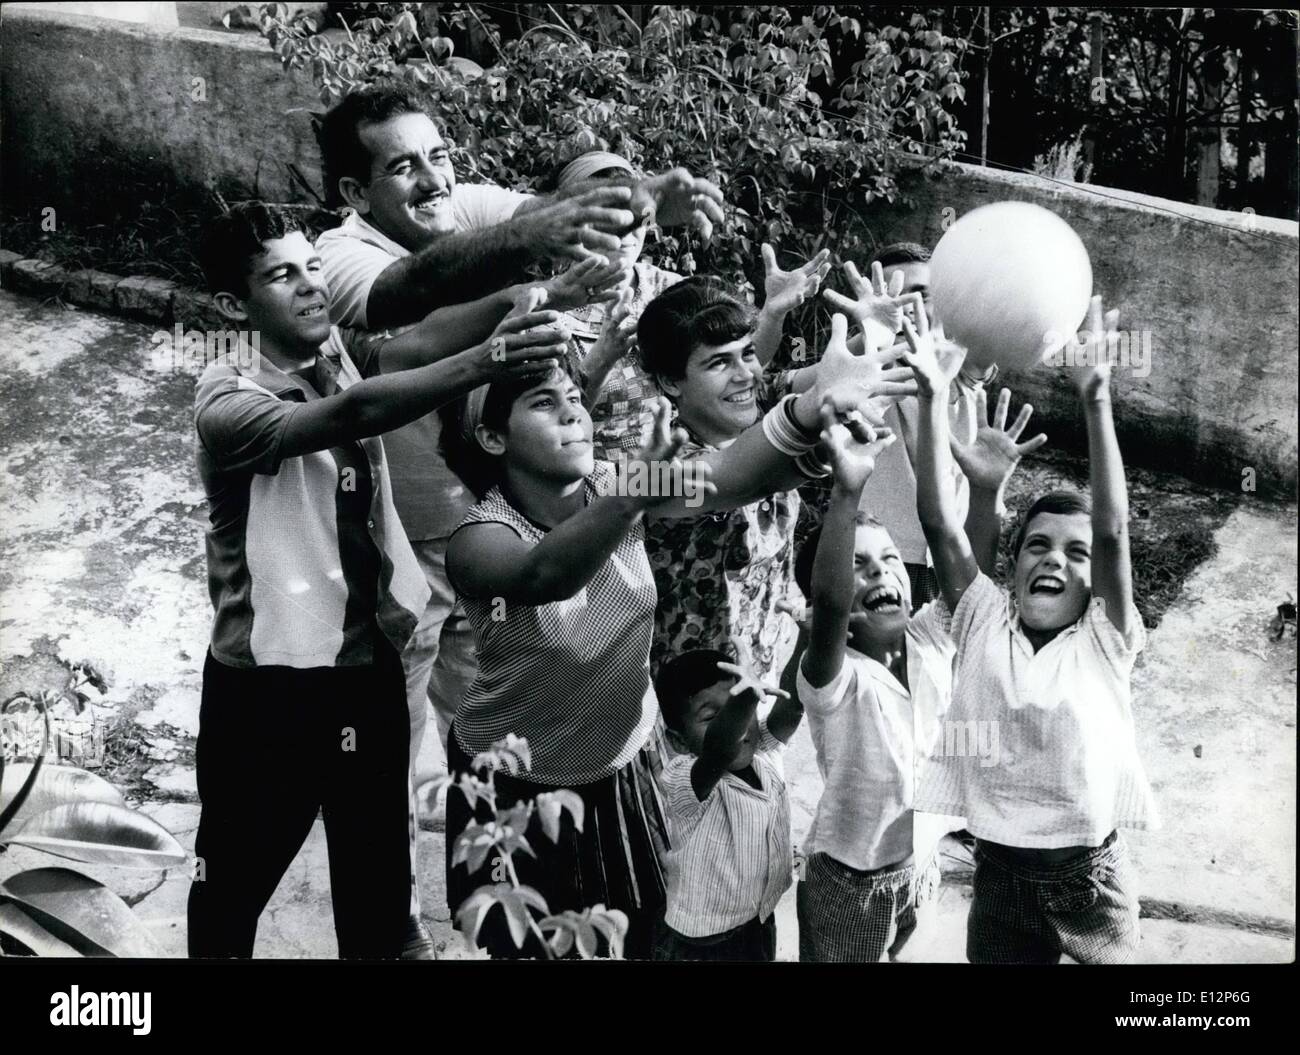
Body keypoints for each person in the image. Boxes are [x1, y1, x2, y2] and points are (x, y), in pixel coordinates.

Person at [436, 309, 915, 958]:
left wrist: (810, 407)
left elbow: (725, 478)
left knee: (632, 941)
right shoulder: (482, 538)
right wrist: (632, 492)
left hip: (618, 773)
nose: (574, 411)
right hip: (517, 787)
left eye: (575, 396)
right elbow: (548, 572)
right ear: (492, 438)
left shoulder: (617, 482)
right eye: (545, 404)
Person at [185, 202, 566, 959]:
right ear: (234, 306)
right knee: (230, 884)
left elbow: (419, 341)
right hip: (271, 688)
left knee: (379, 888)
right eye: (281, 274)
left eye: (313, 266)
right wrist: (490, 359)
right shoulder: (227, 400)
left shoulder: (334, 351)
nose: (309, 285)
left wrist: (542, 298)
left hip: (366, 668)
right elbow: (353, 412)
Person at [905, 295, 1161, 965]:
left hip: (1088, 882)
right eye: (1038, 545)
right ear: (1013, 565)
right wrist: (933, 399)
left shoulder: (1104, 640)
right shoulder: (986, 618)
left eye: (1074, 555)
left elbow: (1110, 528)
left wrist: (1097, 397)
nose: (1054, 558)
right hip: (999, 876)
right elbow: (939, 521)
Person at [793, 356, 1046, 962]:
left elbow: (973, 584)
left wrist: (984, 492)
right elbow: (827, 602)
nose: (879, 573)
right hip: (849, 882)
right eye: (858, 564)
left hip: (922, 862)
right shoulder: (835, 677)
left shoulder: (930, 637)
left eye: (885, 561)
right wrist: (846, 492)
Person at [637, 274, 848, 684]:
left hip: (764, 673)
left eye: (747, 353)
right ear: (668, 381)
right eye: (719, 362)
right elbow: (738, 478)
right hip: (688, 708)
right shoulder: (654, 471)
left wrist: (883, 329)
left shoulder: (758, 399)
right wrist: (820, 416)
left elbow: (837, 369)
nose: (745, 375)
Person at [554, 149, 830, 463]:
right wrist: (600, 360)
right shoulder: (550, 313)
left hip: (698, 463)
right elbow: (554, 426)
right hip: (619, 486)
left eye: (635, 212)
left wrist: (773, 313)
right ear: (572, 224)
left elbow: (738, 373)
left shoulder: (669, 288)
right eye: (610, 216)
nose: (628, 229)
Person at [824, 245, 992, 609]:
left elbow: (989, 345)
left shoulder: (957, 361)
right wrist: (872, 336)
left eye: (923, 296)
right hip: (878, 553)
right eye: (894, 298)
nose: (908, 309)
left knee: (941, 659)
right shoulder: (859, 363)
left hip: (947, 551)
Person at [651, 652, 805, 961]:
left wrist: (806, 636)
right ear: (679, 741)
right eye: (711, 717)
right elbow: (720, 748)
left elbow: (792, 707)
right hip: (701, 943)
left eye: (738, 708)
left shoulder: (763, 754)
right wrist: (745, 699)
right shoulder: (686, 779)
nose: (739, 726)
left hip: (757, 921)